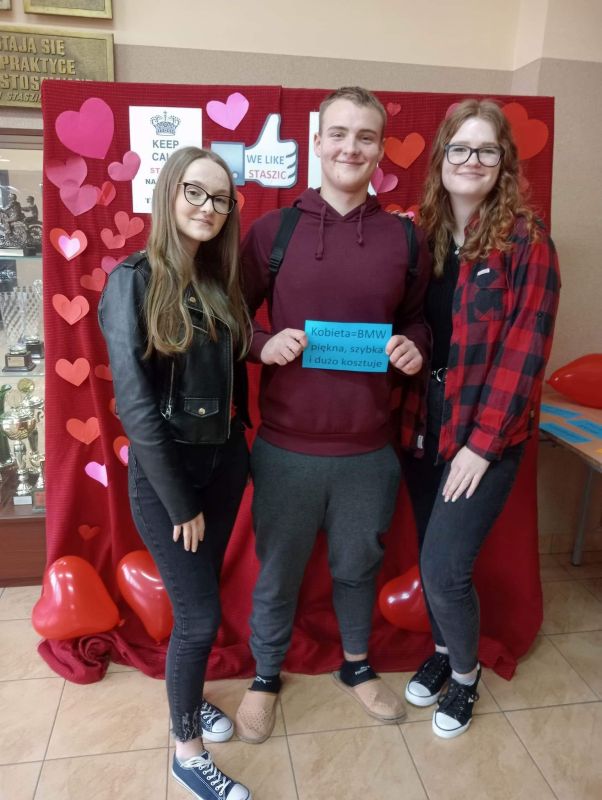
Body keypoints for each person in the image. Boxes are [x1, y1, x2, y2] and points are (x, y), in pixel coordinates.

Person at [235, 86, 431, 743]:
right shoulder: (275, 232)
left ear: (380, 150)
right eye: (339, 133)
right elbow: (229, 318)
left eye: (365, 136)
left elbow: (420, 321)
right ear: (317, 142)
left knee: (357, 568)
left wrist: (414, 346)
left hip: (369, 452)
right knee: (278, 573)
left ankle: (356, 666)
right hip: (286, 448)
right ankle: (265, 676)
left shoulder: (405, 238)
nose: (351, 147)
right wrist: (262, 344)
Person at [402, 99, 560, 739]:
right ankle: (444, 652)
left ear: (504, 164)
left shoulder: (527, 242)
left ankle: (465, 679)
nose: (471, 160)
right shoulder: (423, 235)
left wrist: (481, 445)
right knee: (426, 553)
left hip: (486, 430)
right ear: (442, 158)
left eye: (486, 150)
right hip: (423, 419)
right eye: (460, 148)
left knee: (445, 568)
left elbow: (526, 351)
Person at [99, 146, 253, 800]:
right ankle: (188, 755)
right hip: (170, 482)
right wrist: (180, 502)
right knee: (199, 618)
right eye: (195, 191)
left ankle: (189, 700)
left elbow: (228, 375)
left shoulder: (216, 283)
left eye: (220, 198)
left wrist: (237, 459)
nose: (208, 207)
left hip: (222, 468)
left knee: (199, 603)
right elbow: (137, 408)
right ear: (168, 193)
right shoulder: (132, 281)